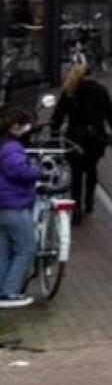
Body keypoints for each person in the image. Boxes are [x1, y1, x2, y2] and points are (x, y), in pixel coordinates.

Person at [52, 64, 112, 222]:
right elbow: (110, 113)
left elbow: (58, 115)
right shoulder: (101, 90)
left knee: (76, 173)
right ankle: (89, 202)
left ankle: (76, 208)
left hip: (74, 138)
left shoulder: (69, 91)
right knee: (92, 169)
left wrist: (54, 132)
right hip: (95, 137)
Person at [0, 107, 39, 308]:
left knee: (4, 250)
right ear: (16, 126)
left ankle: (2, 291)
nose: (28, 128)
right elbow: (18, 171)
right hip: (13, 204)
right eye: (25, 124)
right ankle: (10, 293)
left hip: (2, 205)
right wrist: (35, 171)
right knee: (26, 247)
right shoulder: (12, 147)